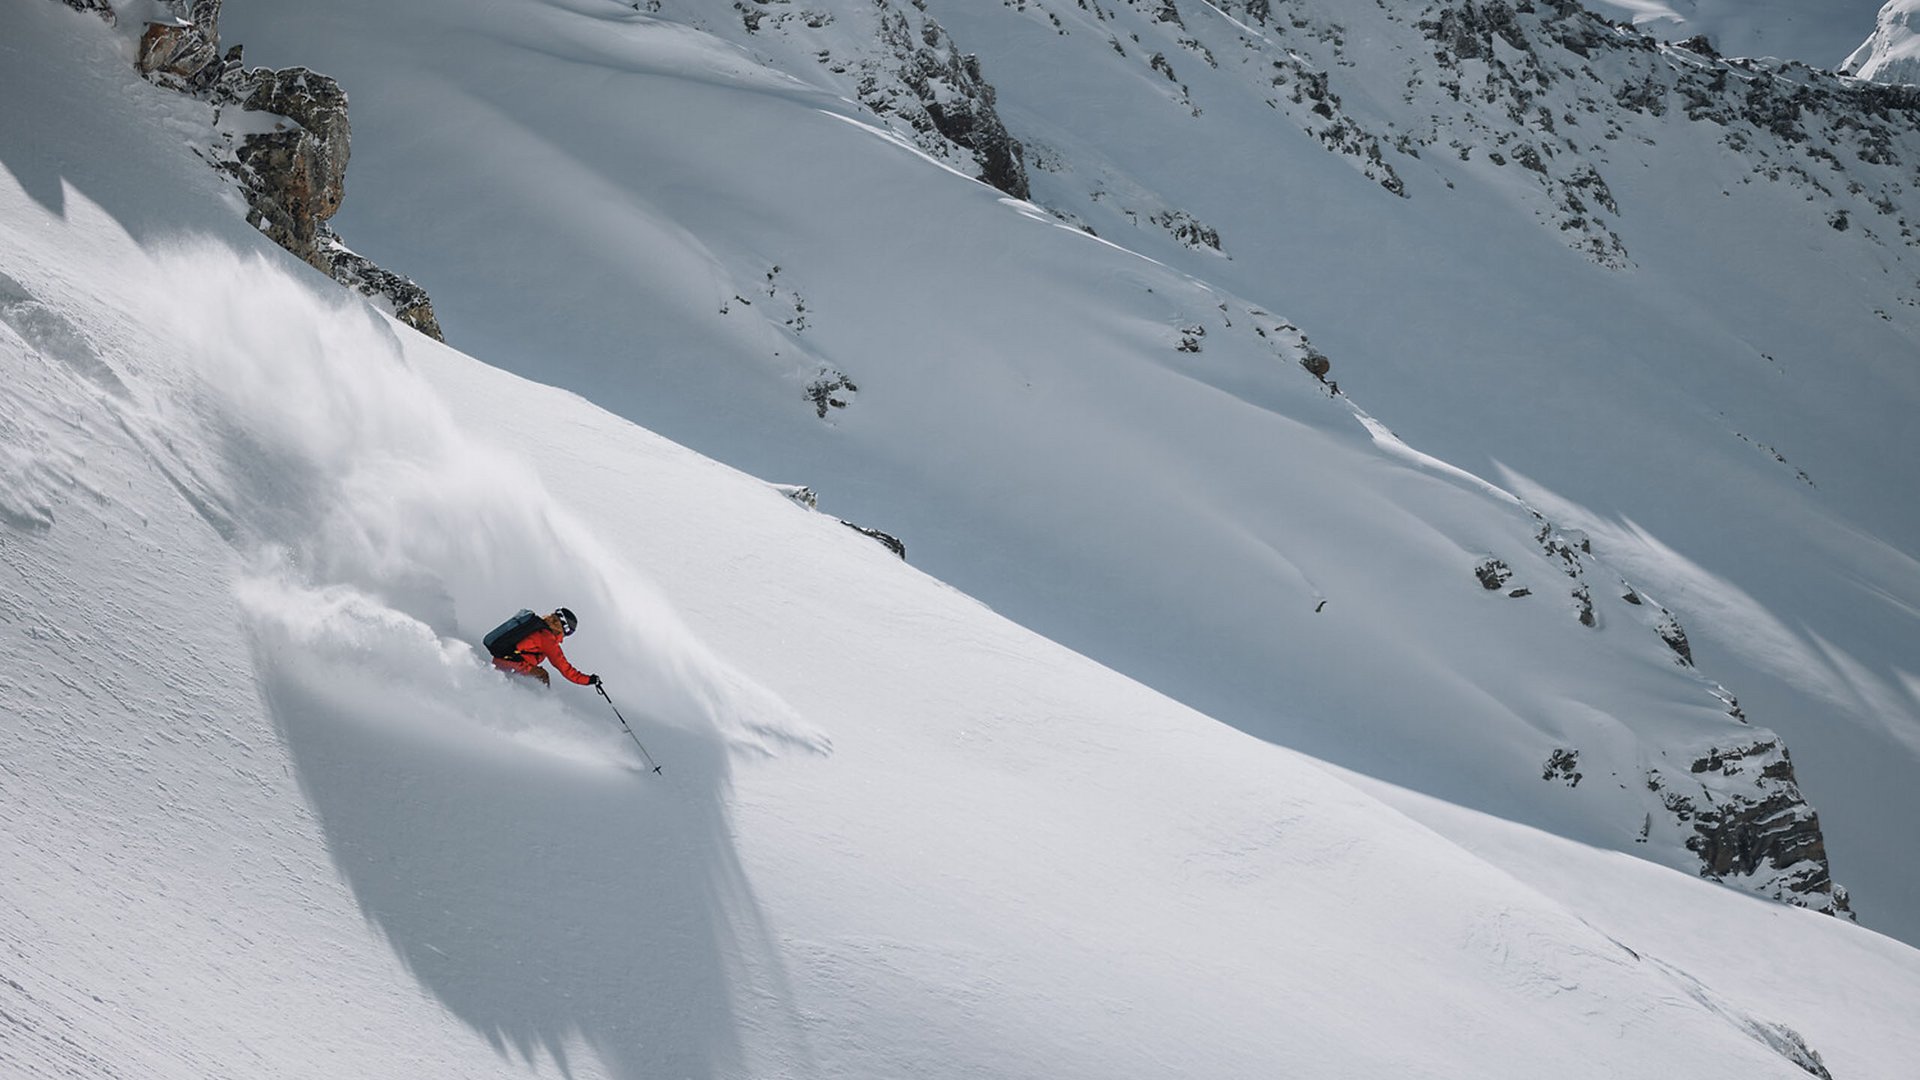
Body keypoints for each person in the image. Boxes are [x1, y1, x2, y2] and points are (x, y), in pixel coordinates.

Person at [489, 607, 600, 688]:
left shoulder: (538, 627)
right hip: (511, 663)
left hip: (504, 660)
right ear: (563, 629)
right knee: (542, 676)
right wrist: (589, 680)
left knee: (537, 674)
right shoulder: (547, 638)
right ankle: (538, 705)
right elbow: (565, 668)